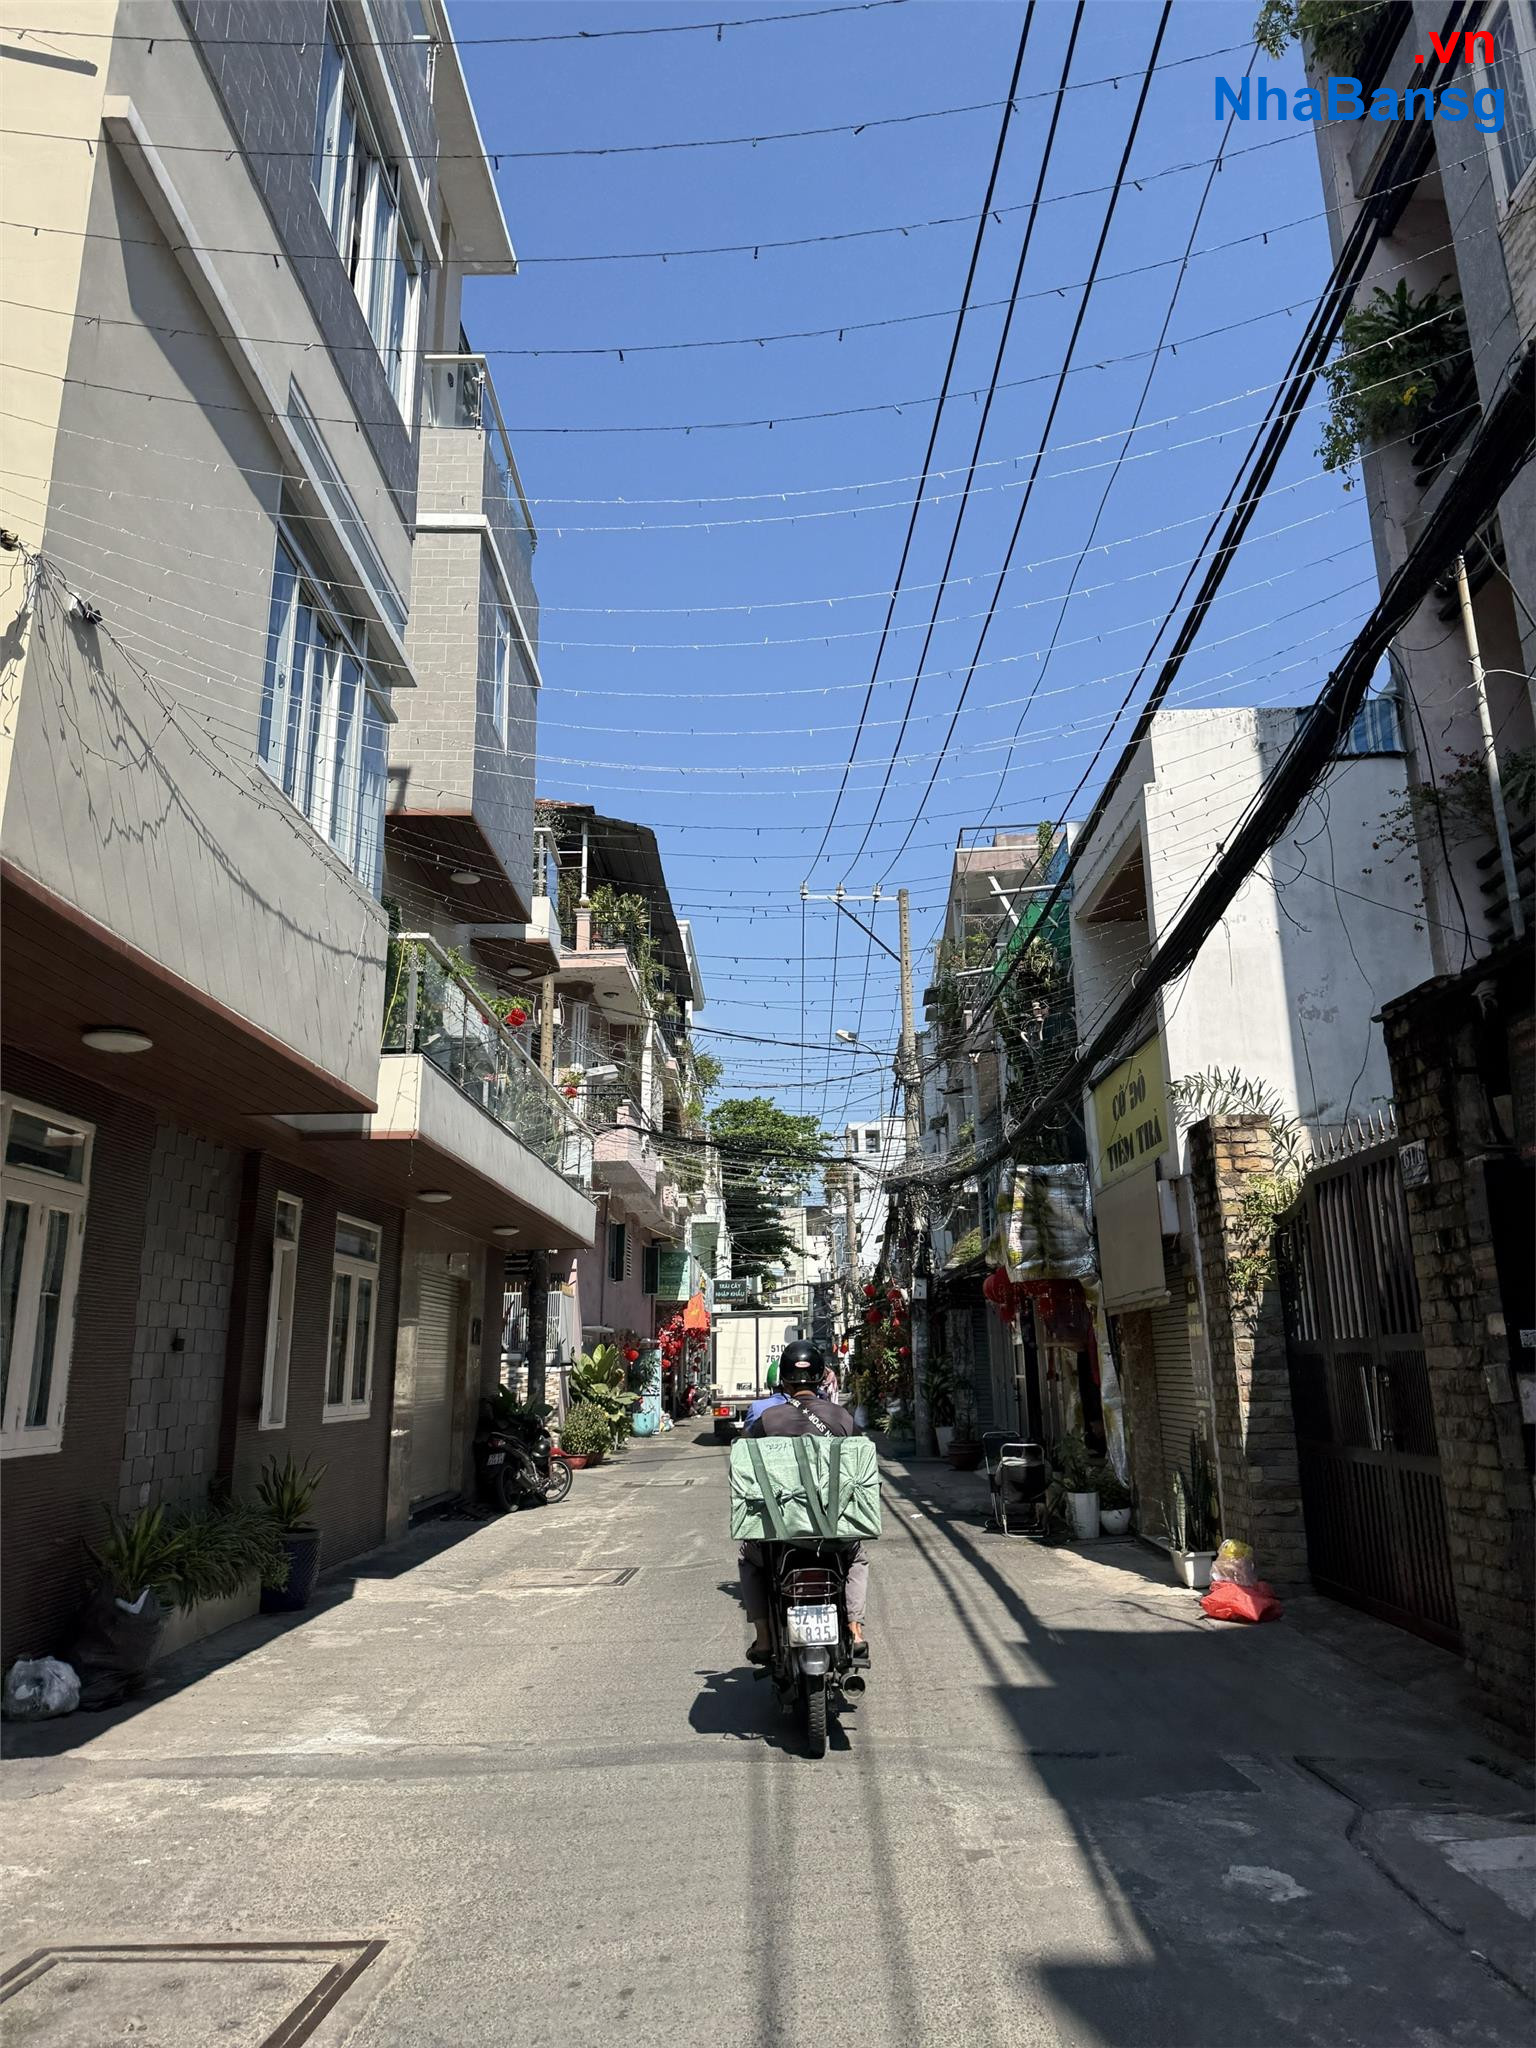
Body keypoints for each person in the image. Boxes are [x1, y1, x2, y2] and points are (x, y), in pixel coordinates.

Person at [738, 1341, 869, 1666]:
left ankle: (764, 1639)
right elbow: (863, 1463)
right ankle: (855, 1631)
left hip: (780, 1533)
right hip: (834, 1532)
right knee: (858, 1557)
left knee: (748, 1558)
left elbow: (744, 1462)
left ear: (783, 1380)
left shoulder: (767, 1420)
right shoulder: (841, 1417)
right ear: (821, 1378)